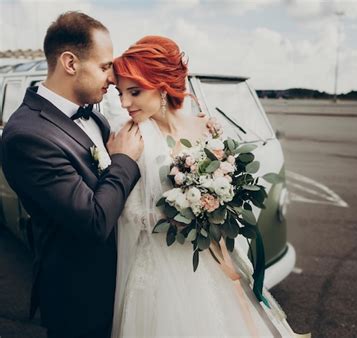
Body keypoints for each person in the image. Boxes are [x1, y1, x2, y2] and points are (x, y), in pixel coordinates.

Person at [111, 35, 295, 337]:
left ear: (161, 86)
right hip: (160, 264)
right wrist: (178, 213)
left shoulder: (204, 127)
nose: (124, 103)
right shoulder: (134, 138)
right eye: (120, 93)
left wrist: (217, 202)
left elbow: (225, 180)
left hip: (210, 255)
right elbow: (129, 212)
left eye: (134, 91)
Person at [1, 12, 144, 338]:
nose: (112, 78)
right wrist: (123, 161)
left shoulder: (95, 115)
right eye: (105, 66)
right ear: (70, 63)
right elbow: (93, 220)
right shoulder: (27, 136)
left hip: (124, 284)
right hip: (81, 299)